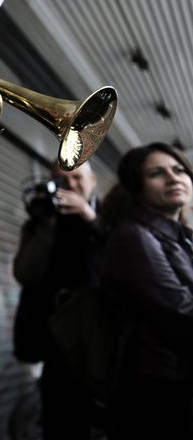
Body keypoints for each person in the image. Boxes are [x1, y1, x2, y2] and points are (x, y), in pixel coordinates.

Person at [100, 142, 193, 439]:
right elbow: (181, 315)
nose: (173, 178)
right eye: (157, 173)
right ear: (137, 188)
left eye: (179, 170)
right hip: (158, 393)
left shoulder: (182, 237)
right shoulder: (134, 237)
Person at [12, 160, 104, 438]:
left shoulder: (109, 217)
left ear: (93, 180)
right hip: (56, 342)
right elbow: (24, 273)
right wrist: (48, 225)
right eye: (63, 180)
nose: (71, 186)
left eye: (77, 178)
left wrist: (90, 218)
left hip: (100, 339)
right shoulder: (41, 221)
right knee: (60, 422)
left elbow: (116, 265)